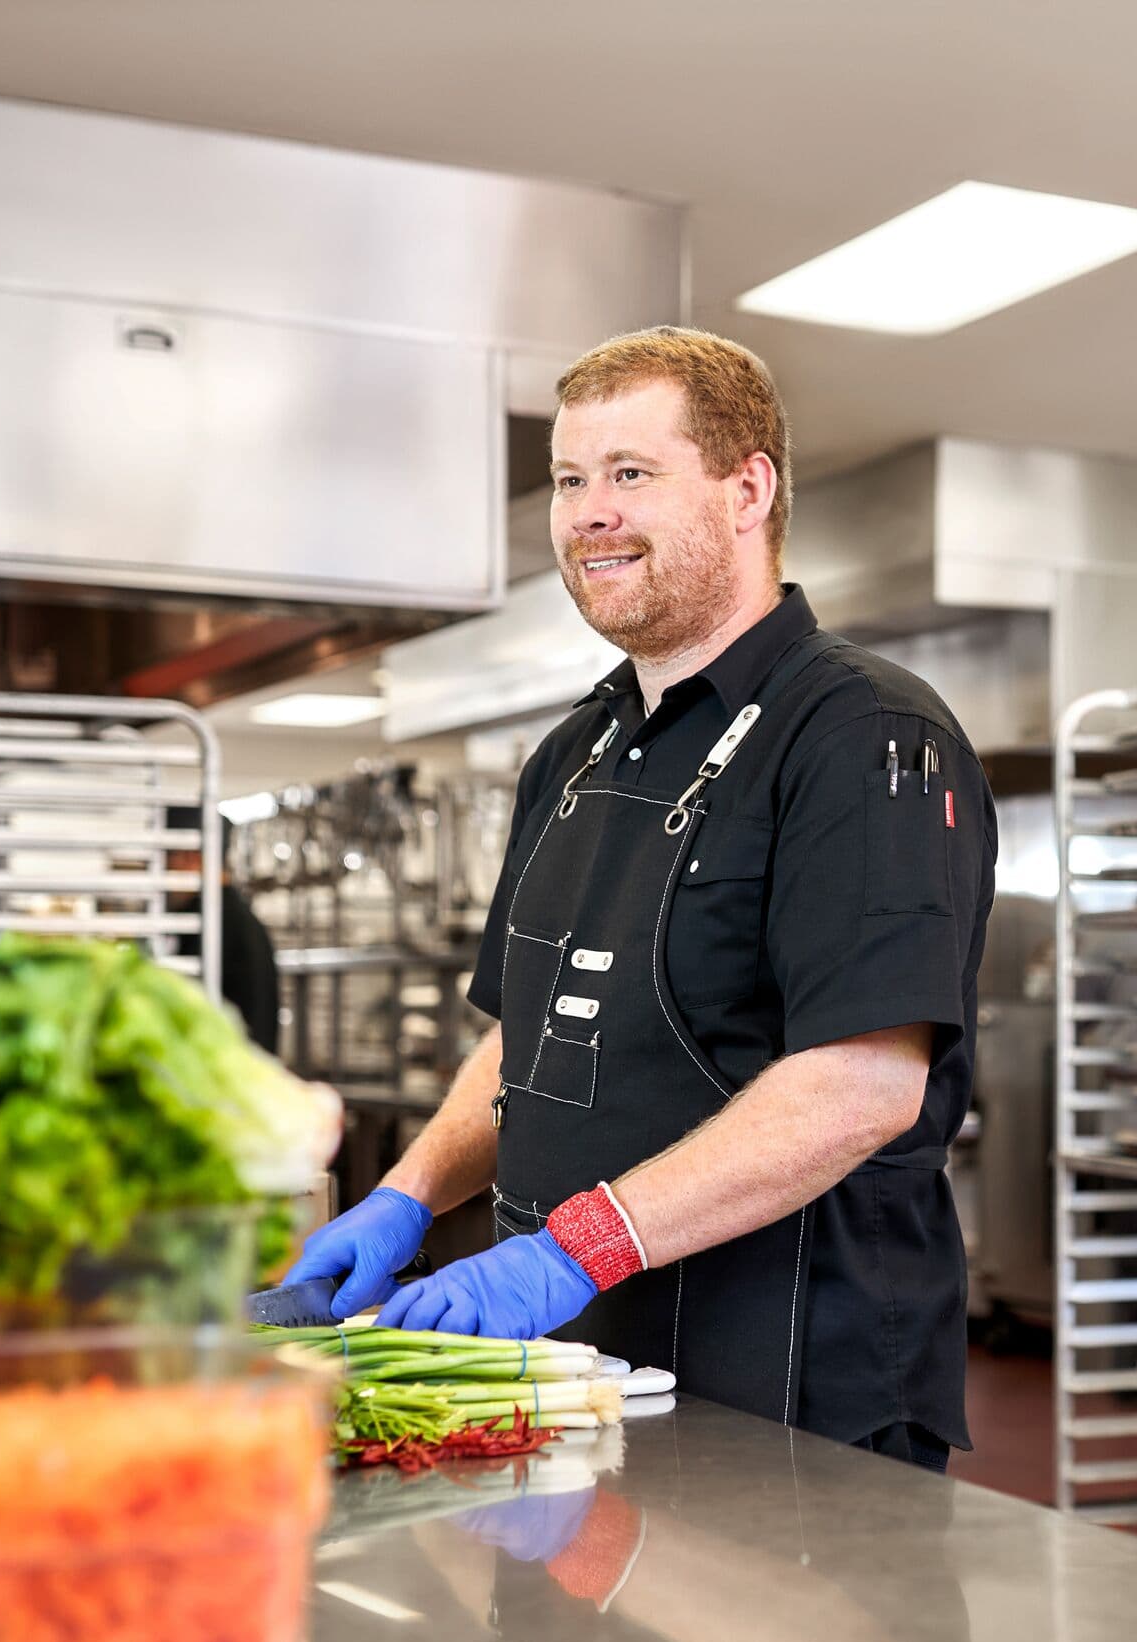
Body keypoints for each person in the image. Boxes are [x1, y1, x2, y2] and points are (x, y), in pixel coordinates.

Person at [279, 327, 995, 1469]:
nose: (588, 514)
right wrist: (410, 1195)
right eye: (570, 480)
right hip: (574, 1376)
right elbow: (529, 1036)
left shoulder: (861, 735)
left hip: (790, 1389)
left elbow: (859, 1087)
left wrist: (567, 1251)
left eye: (630, 474)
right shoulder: (573, 754)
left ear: (747, 487)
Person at [166, 806, 281, 1053]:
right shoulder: (231, 918)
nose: (163, 874)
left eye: (167, 859)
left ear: (190, 857)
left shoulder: (210, 924)